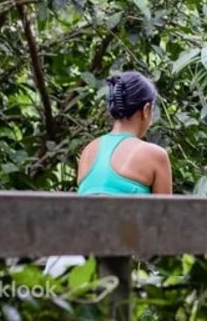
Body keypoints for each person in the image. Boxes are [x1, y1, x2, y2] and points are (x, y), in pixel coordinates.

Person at [44, 71, 172, 277]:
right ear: (146, 109)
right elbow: (163, 228)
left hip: (64, 261)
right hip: (107, 268)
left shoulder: (89, 150)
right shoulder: (154, 154)